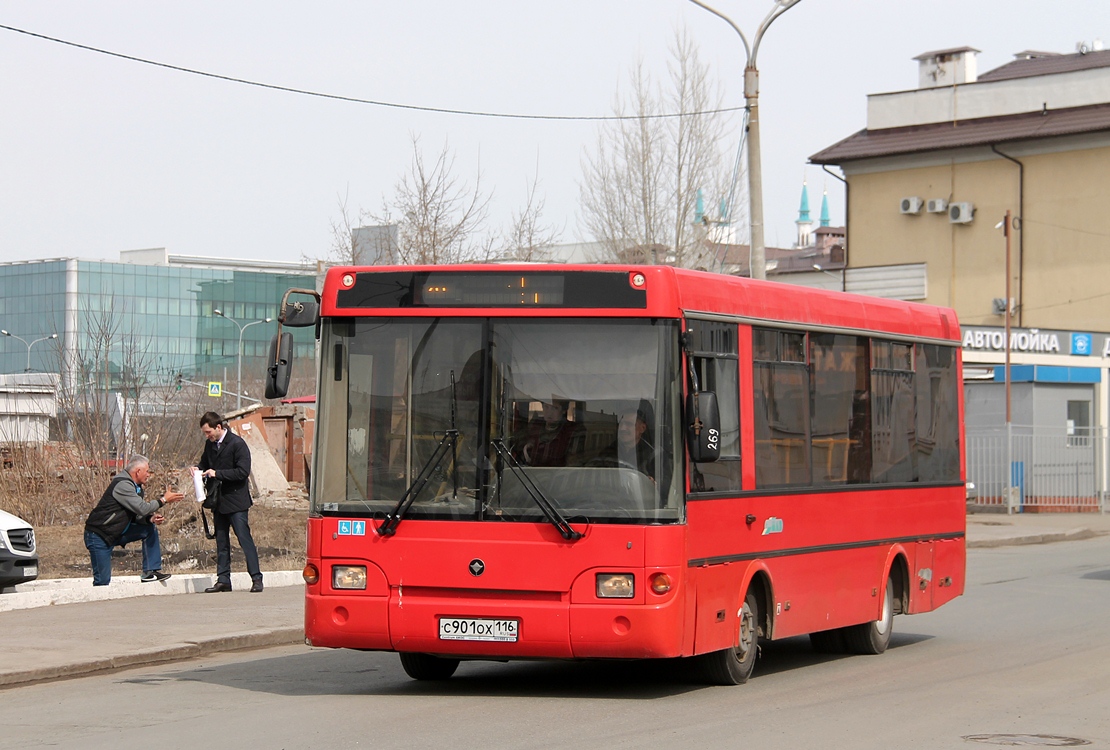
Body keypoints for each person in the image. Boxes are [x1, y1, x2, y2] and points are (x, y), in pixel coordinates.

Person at [84, 454, 184, 586]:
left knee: (149, 529)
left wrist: (150, 519)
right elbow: (142, 508)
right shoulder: (122, 485)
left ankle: (150, 571)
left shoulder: (136, 487)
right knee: (102, 582)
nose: (149, 474)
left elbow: (136, 514)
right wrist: (164, 500)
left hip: (118, 532)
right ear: (138, 471)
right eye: (147, 471)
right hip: (99, 535)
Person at [193, 412, 263, 593]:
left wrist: (218, 473)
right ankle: (223, 579)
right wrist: (196, 470)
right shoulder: (210, 446)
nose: (207, 436)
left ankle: (256, 578)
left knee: (244, 539)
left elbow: (242, 472)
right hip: (218, 501)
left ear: (218, 427)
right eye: (205, 433)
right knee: (221, 542)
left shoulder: (237, 444)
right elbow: (203, 463)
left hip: (237, 501)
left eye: (208, 432)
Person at [513, 400, 582, 467]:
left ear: (564, 410)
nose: (549, 413)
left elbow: (572, 465)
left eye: (555, 408)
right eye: (546, 407)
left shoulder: (571, 431)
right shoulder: (535, 426)